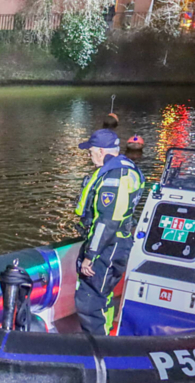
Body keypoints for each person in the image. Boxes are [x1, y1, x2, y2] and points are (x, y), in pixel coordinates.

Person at [74, 129, 145, 336]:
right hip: (114, 244)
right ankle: (104, 335)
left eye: (91, 151)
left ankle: (98, 346)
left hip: (109, 246)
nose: (89, 155)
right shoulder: (123, 169)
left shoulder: (115, 176)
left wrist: (91, 255)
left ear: (102, 151)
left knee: (89, 301)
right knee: (102, 296)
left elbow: (107, 221)